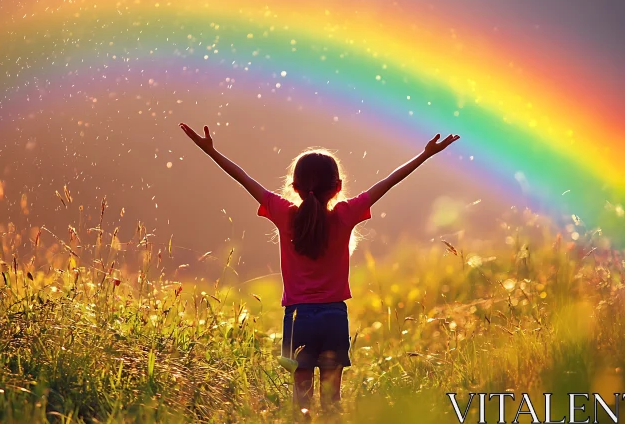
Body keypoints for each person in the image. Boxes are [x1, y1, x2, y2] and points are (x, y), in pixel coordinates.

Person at [179, 123, 459, 416]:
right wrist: (424, 155)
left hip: (297, 318)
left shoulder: (284, 214)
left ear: (294, 187)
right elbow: (387, 183)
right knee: (331, 403)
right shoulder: (345, 214)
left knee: (300, 402)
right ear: (337, 187)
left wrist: (210, 152)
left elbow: (244, 179)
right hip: (333, 317)